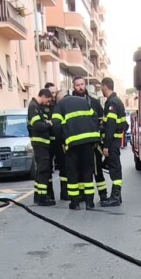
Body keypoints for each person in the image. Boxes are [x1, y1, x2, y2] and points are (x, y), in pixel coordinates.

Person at [53, 76, 100, 211]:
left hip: (72, 144)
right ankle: (90, 202)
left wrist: (61, 141)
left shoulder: (60, 105)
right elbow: (94, 117)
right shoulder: (83, 102)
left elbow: (56, 125)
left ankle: (75, 202)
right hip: (88, 143)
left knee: (72, 173)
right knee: (87, 171)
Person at [99, 77, 127, 207]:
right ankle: (117, 196)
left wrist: (106, 146)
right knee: (114, 168)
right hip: (115, 142)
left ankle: (115, 197)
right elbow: (124, 124)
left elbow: (110, 126)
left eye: (101, 87)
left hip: (112, 143)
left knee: (115, 170)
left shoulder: (112, 103)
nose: (101, 90)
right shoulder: (117, 101)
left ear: (105, 86)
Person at [28, 87, 56, 206]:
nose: (48, 103)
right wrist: (48, 124)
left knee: (41, 170)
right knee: (44, 170)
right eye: (48, 100)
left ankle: (38, 195)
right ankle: (42, 197)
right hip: (40, 143)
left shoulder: (36, 107)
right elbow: (38, 126)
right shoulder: (33, 107)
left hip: (41, 143)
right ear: (43, 96)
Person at [53, 88, 69, 200]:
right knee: (64, 169)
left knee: (67, 169)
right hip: (62, 144)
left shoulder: (61, 108)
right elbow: (57, 127)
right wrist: (62, 143)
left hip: (66, 143)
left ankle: (67, 192)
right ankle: (65, 193)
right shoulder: (58, 109)